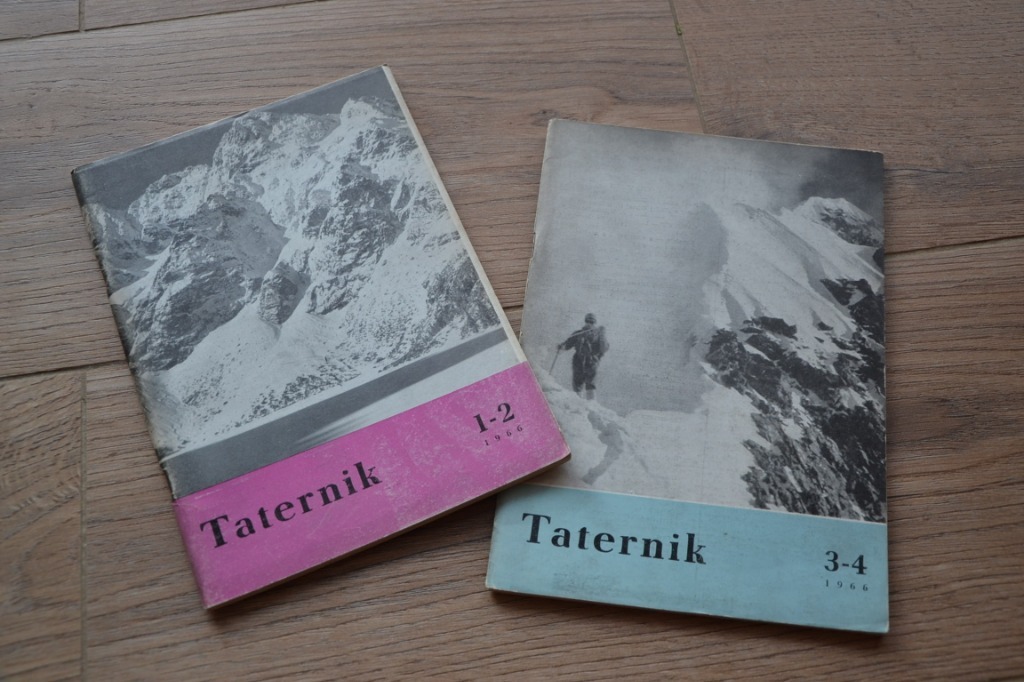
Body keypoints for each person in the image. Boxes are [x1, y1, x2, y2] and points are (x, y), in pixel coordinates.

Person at [558, 313, 608, 400]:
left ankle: (581, 403)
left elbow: (567, 345)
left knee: (580, 385)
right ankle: (588, 404)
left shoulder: (579, 333)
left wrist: (561, 347)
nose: (589, 323)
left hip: (581, 361)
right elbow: (604, 348)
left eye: (590, 322)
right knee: (588, 384)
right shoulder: (597, 335)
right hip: (591, 362)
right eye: (588, 321)